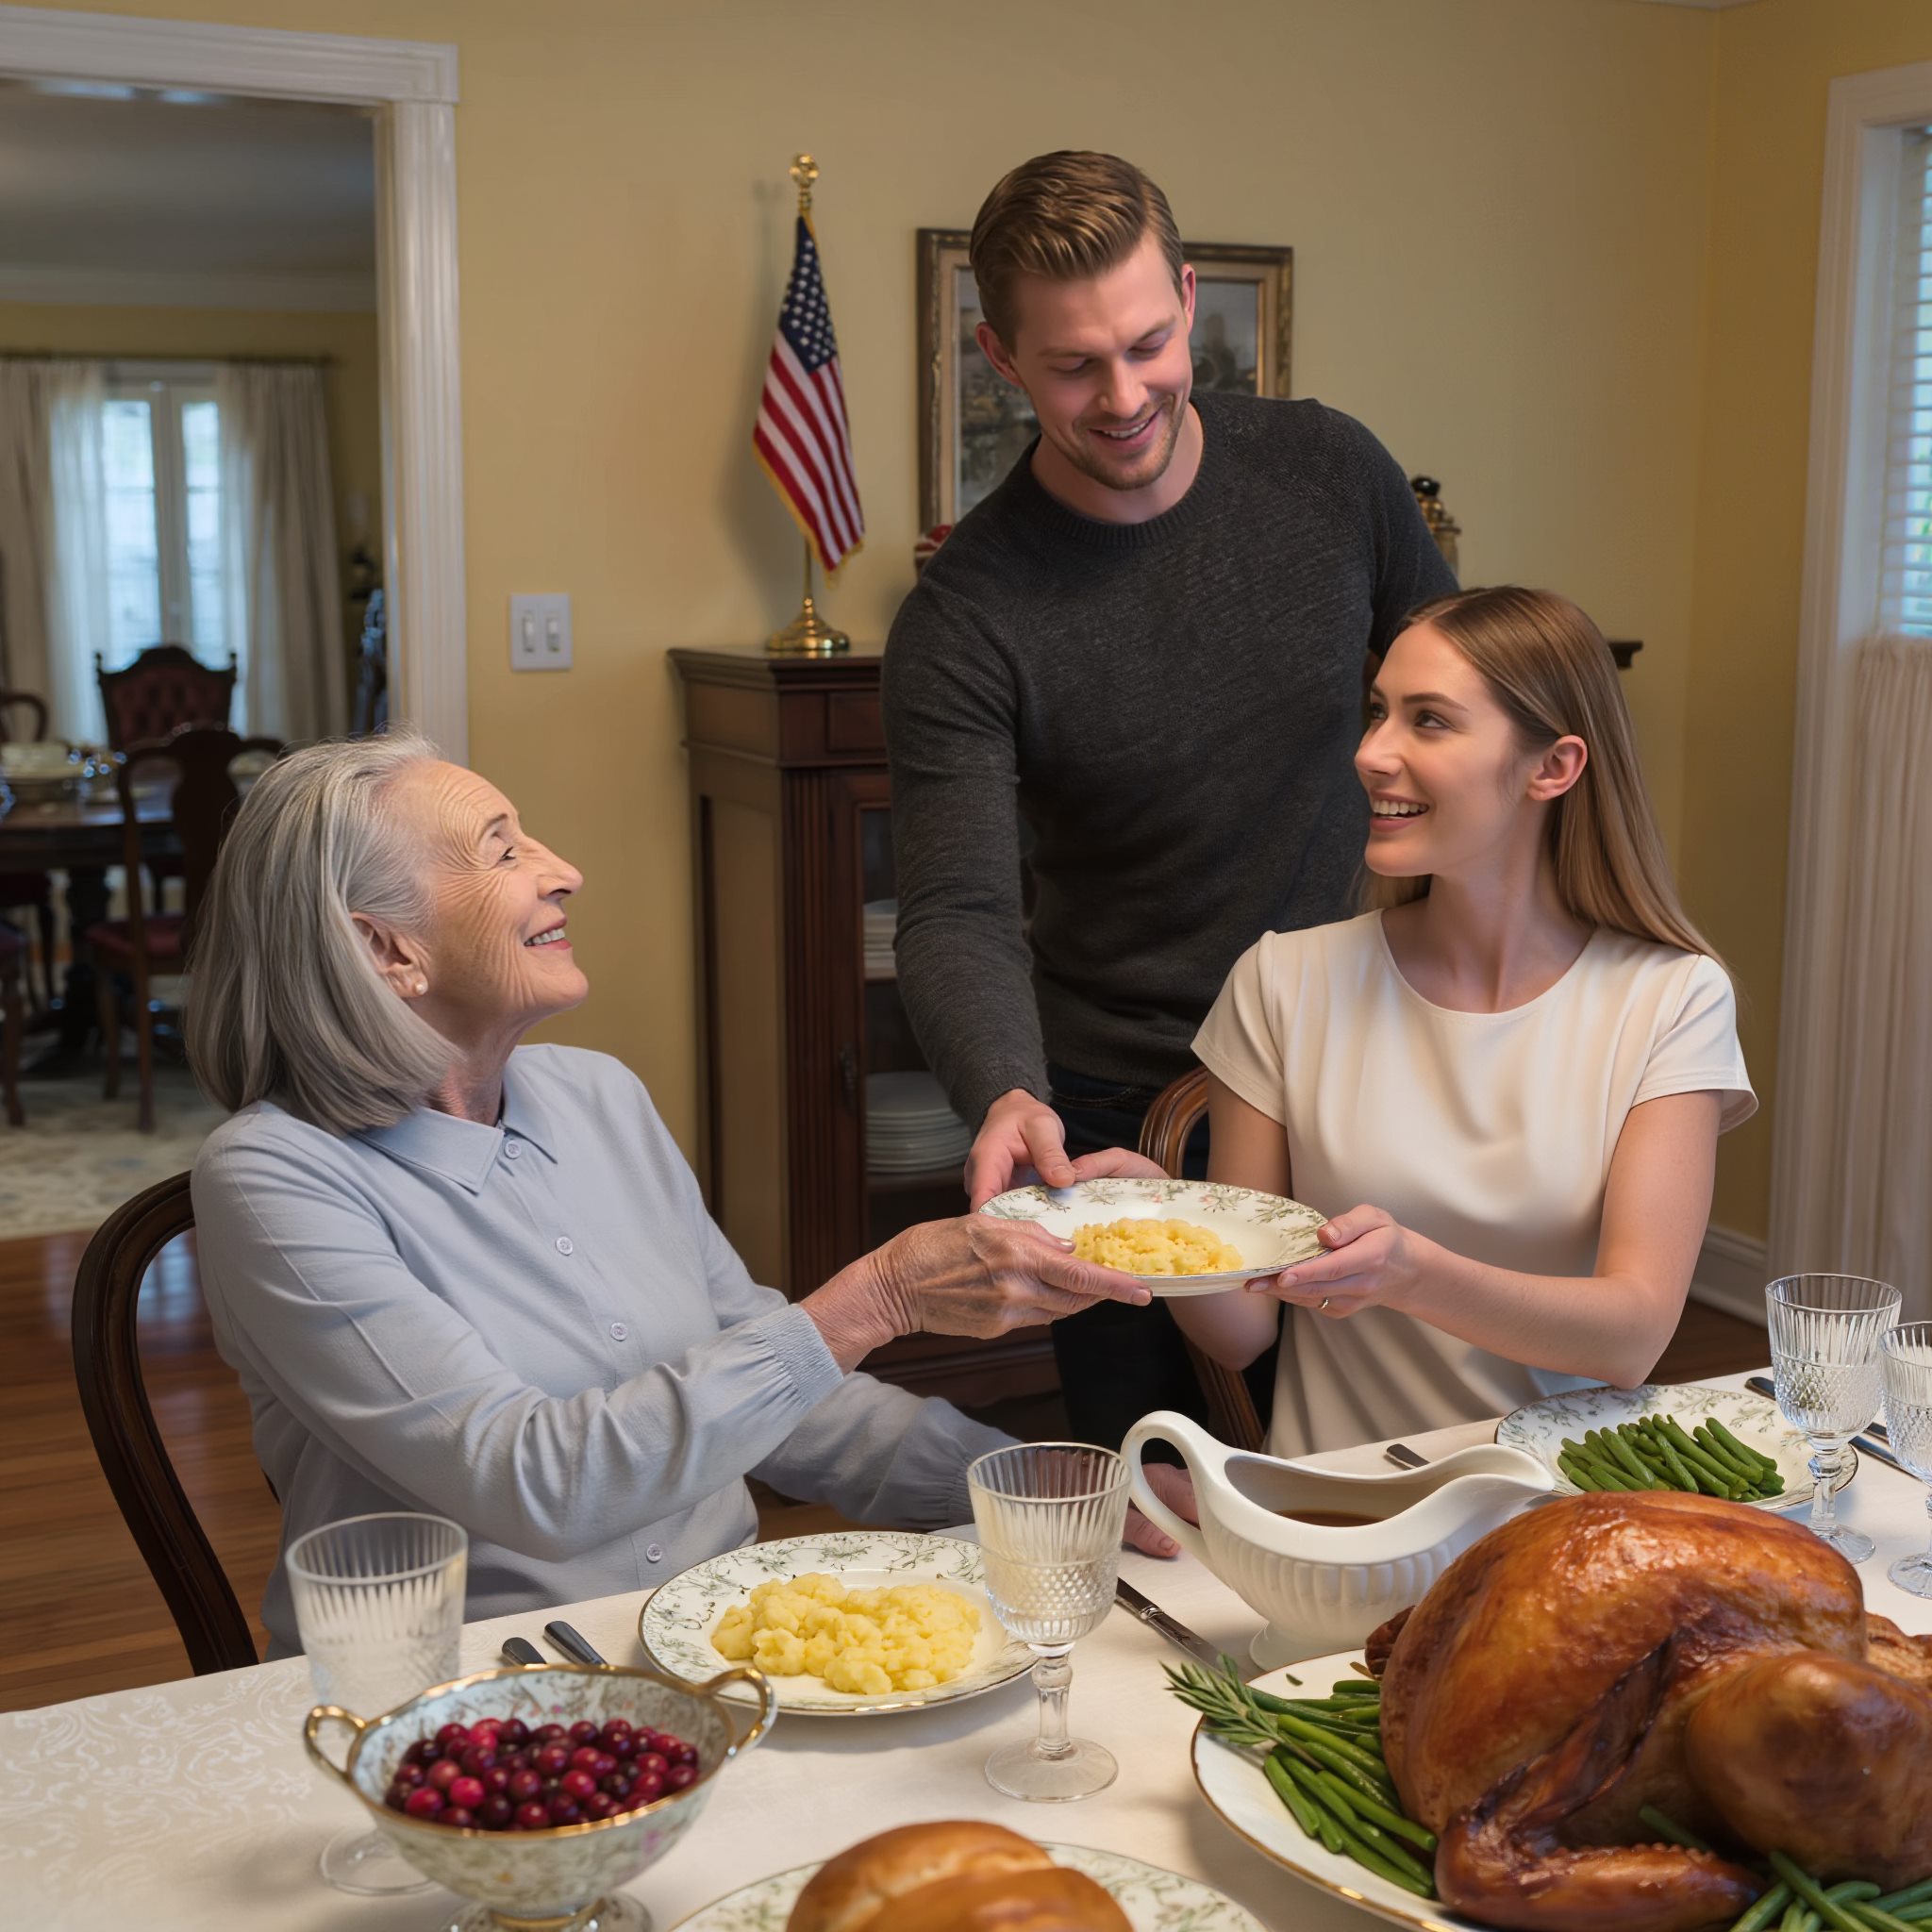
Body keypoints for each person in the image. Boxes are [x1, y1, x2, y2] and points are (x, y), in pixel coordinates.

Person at [183, 735, 1191, 1655]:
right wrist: (874, 1298)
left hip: (722, 1652)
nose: (562, 870)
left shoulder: (600, 1096)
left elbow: (788, 1409)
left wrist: (1054, 1490)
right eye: (501, 852)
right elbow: (527, 1479)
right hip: (468, 1709)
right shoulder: (273, 1179)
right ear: (383, 949)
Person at [883, 149, 1456, 1447]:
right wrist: (1002, 1091)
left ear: (1192, 299)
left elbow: (1469, 693)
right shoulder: (966, 616)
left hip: (1366, 1065)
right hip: (1128, 1112)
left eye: (1150, 343)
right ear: (1001, 358)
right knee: (1172, 1501)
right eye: (1077, 365)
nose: (1126, 394)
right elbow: (961, 905)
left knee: (1404, 1453)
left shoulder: (1330, 470)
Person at [1161, 586, 1755, 1454]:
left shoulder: (1671, 998)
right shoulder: (1284, 980)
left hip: (1560, 1524)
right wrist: (1151, 1222)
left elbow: (1632, 1337)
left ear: (1551, 768)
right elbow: (1239, 1331)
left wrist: (1413, 1274)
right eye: (1378, 713)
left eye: (1428, 721)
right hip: (1341, 1522)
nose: (1371, 753)